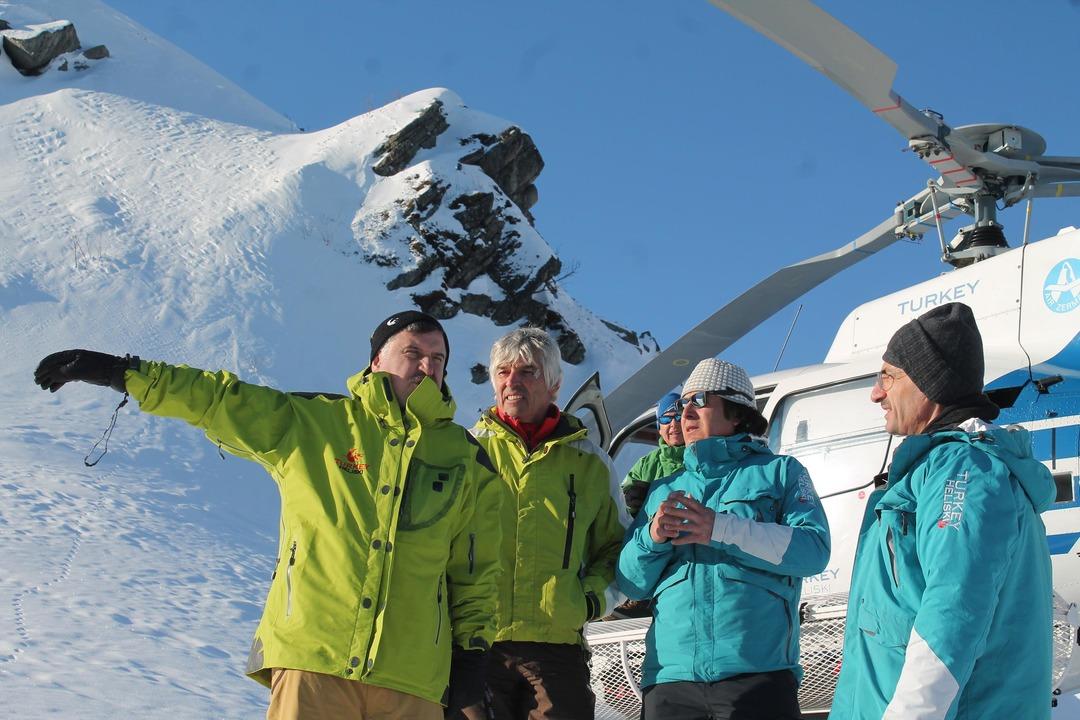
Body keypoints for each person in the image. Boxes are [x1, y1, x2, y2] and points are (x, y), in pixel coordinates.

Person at [34, 310, 503, 720]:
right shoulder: (313, 422)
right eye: (413, 352)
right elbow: (218, 400)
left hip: (412, 676)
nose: (426, 365)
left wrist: (473, 652)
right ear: (377, 360)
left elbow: (476, 573)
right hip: (314, 660)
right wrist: (123, 373)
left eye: (437, 358)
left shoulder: (465, 458)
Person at [829, 302, 1056, 720]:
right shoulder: (932, 471)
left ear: (928, 384)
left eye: (888, 377)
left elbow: (952, 615)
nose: (876, 393)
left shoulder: (966, 471)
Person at [617, 357, 830, 720]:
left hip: (757, 675)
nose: (685, 412)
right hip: (670, 681)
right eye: (683, 403)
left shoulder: (781, 473)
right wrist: (652, 538)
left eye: (699, 400)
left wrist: (720, 528)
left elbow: (813, 550)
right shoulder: (663, 489)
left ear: (737, 413)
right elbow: (631, 584)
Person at [470, 327, 629, 719]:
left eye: (528, 372)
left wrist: (589, 600)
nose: (513, 382)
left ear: (555, 385)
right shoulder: (466, 454)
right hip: (478, 647)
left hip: (557, 650)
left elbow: (616, 547)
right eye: (503, 372)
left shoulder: (591, 462)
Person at [621, 390, 686, 518]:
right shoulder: (645, 465)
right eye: (666, 418)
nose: (673, 424)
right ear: (659, 428)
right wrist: (631, 502)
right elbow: (620, 505)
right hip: (652, 535)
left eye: (679, 416)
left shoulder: (703, 457)